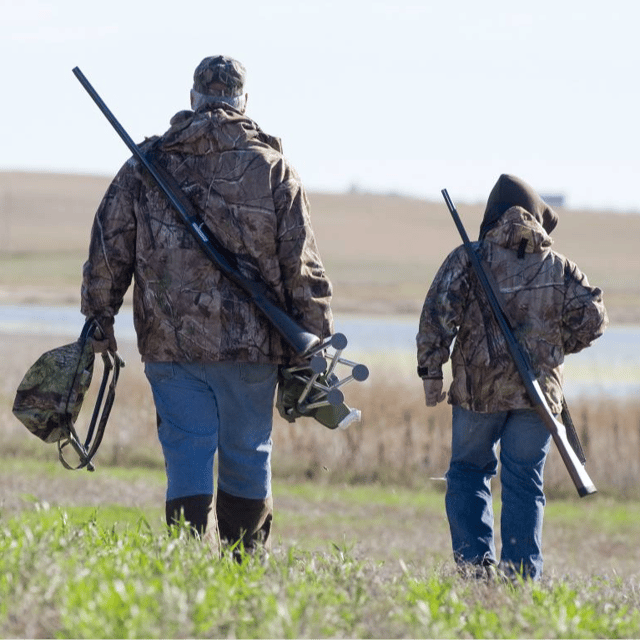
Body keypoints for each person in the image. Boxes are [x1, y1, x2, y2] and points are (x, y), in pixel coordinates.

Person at [81, 55, 333, 554]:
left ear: (194, 97)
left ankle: (187, 561)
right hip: (252, 349)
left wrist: (99, 317)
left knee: (187, 454)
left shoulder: (147, 163)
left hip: (170, 346)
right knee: (247, 453)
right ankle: (243, 568)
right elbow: (301, 268)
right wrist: (314, 341)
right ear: (243, 100)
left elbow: (109, 247)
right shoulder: (274, 169)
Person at [416, 174, 607, 580]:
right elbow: (594, 318)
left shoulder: (468, 257)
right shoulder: (559, 266)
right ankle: (521, 578)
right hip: (537, 399)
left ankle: (475, 569)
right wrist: (554, 348)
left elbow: (437, 317)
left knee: (468, 473)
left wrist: (431, 372)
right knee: (524, 483)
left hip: (477, 394)